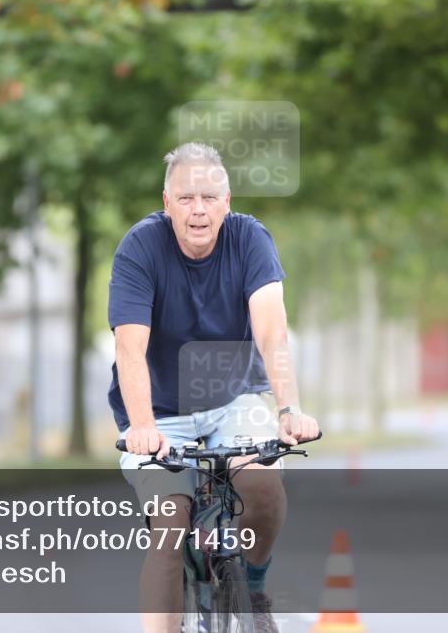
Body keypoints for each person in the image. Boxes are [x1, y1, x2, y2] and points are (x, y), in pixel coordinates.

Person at [109, 142, 320, 633]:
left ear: (227, 202)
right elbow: (129, 348)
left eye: (209, 197)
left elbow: (271, 331)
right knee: (168, 526)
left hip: (234, 399)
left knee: (262, 487)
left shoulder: (250, 239)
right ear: (166, 203)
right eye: (185, 198)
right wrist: (142, 426)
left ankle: (254, 583)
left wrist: (289, 408)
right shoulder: (141, 247)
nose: (198, 209)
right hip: (159, 413)